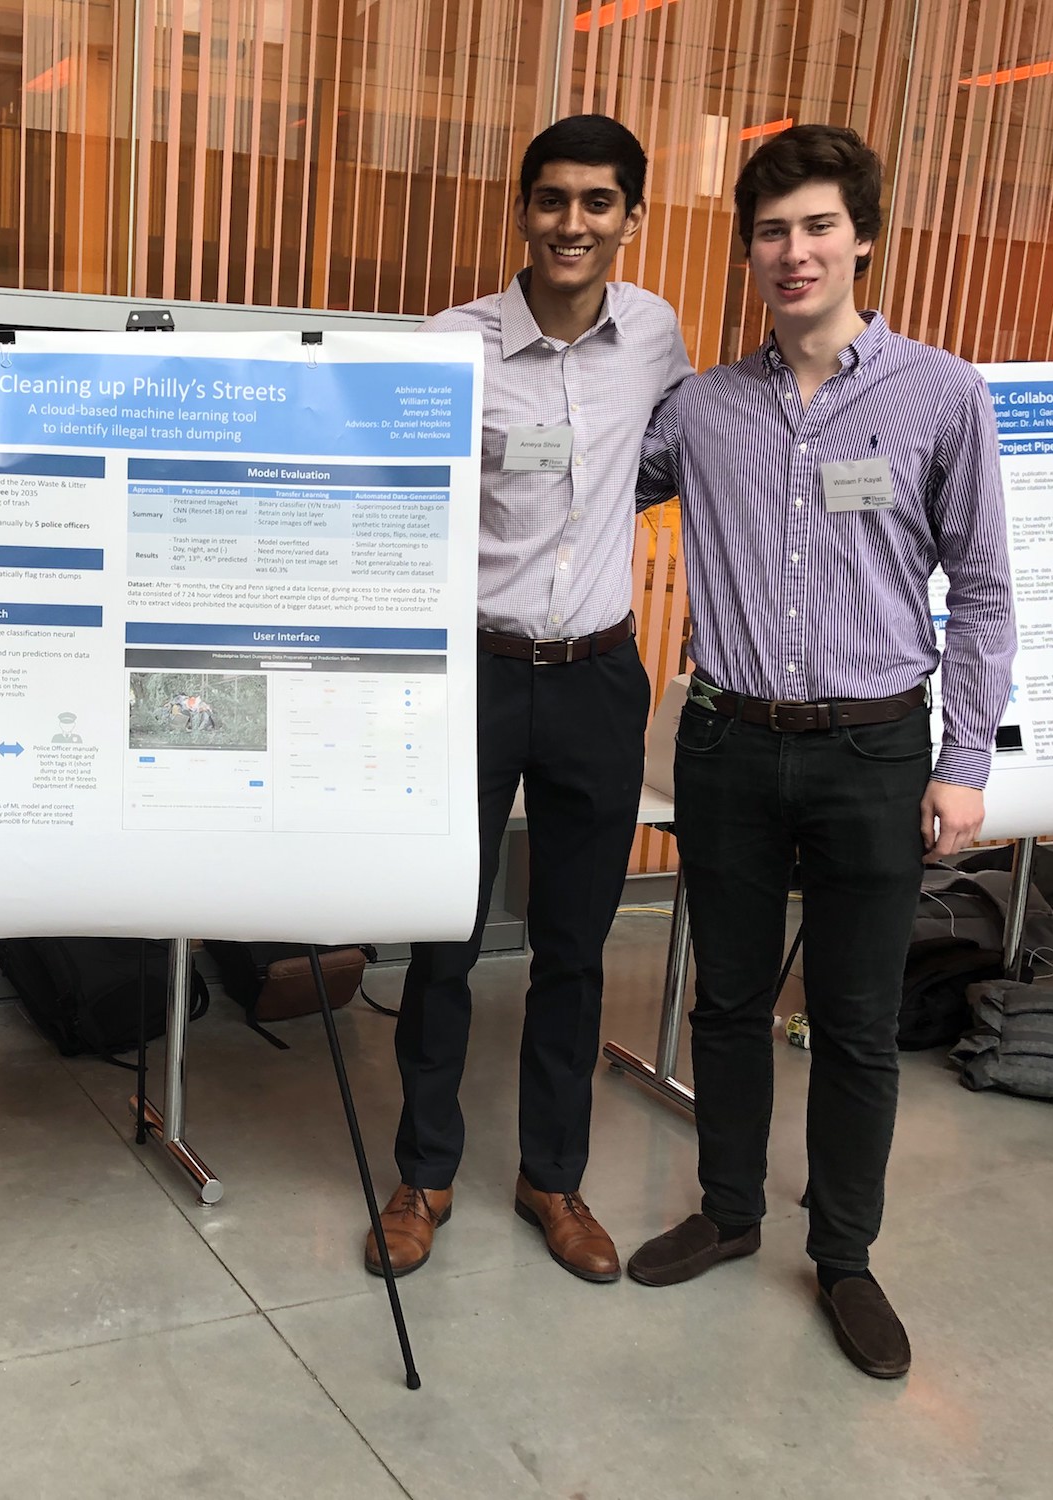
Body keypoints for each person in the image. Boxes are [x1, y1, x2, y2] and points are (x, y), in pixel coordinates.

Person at [628, 125, 1015, 1379]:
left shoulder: (941, 393)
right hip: (730, 743)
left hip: (873, 752)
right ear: (744, 250)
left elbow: (986, 592)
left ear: (861, 238)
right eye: (768, 231)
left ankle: (843, 1257)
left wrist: (962, 764)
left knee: (851, 1022)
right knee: (728, 1002)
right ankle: (730, 1212)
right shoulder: (699, 410)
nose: (791, 252)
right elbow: (574, 492)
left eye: (814, 227)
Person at [368, 116, 693, 1283]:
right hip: (473, 672)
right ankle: (424, 1172)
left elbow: (669, 461)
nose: (573, 222)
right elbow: (398, 499)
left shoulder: (654, 334)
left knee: (572, 945)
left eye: (598, 202)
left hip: (598, 675)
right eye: (552, 199)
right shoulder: (450, 345)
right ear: (521, 211)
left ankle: (552, 1180)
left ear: (628, 218)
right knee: (442, 936)